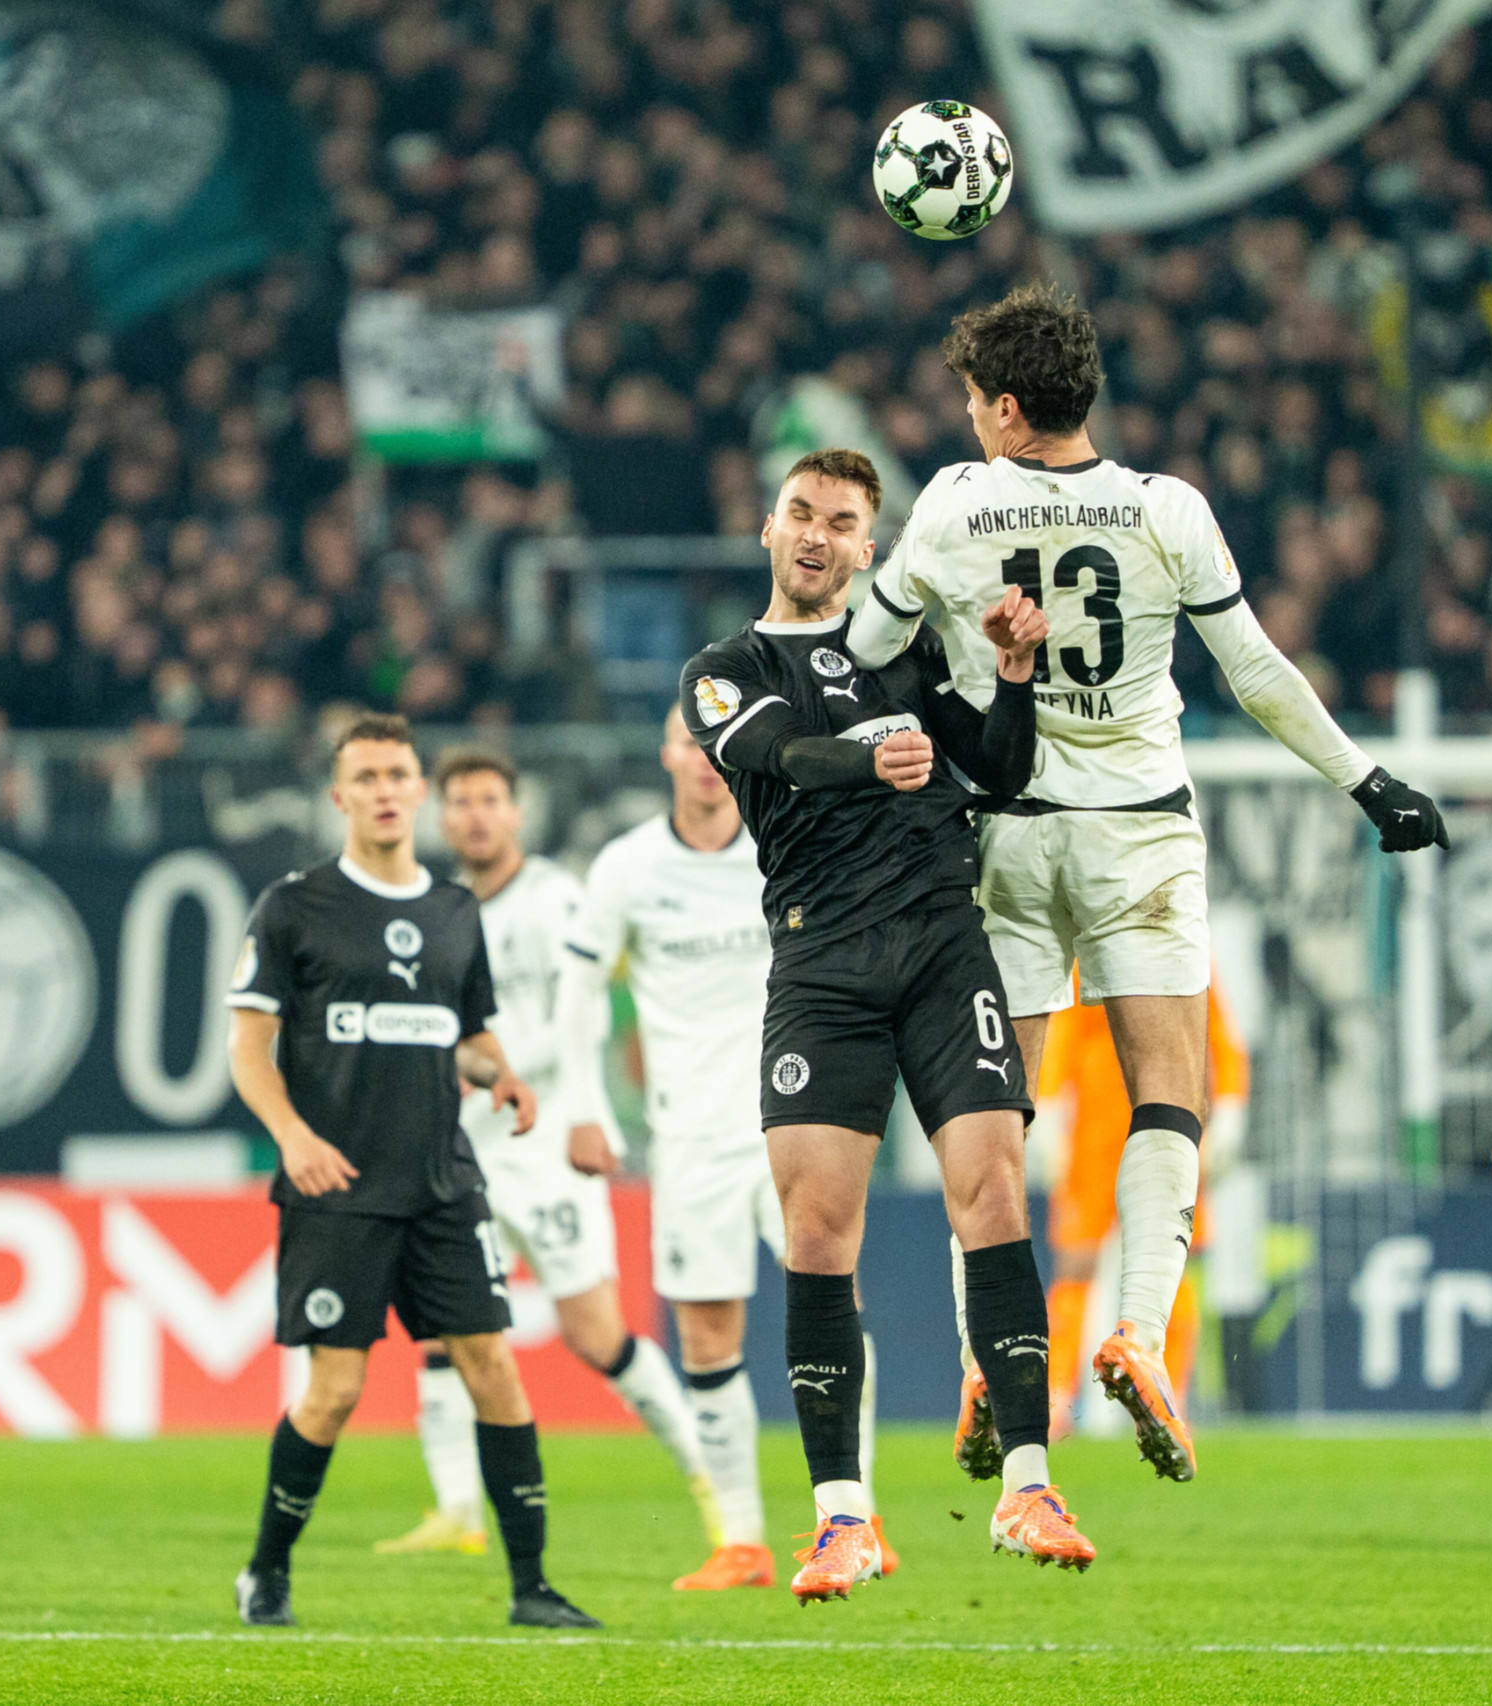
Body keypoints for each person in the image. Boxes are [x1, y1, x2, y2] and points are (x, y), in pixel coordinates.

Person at [845, 280, 1449, 1484]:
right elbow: (1258, 672)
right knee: (1169, 1089)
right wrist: (1366, 780)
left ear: (1007, 408)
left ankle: (991, 1356)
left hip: (1007, 835)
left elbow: (863, 650)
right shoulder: (1169, 508)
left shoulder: (956, 504)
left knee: (991, 1108)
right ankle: (1137, 1327)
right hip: (1141, 831)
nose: (970, 423)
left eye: (974, 401)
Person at [680, 447, 1088, 1603]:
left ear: (871, 546)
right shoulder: (726, 667)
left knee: (996, 1192)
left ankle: (1027, 1484)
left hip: (942, 946)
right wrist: (868, 754)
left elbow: (1000, 769)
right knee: (817, 1232)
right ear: (769, 528)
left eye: (842, 521)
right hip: (820, 962)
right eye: (800, 513)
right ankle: (842, 1517)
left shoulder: (911, 646)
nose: (816, 533)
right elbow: (777, 755)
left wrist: (1011, 675)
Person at [226, 713, 593, 1630]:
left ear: (417, 791)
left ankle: (532, 1588)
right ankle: (266, 1571)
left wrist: (499, 1071)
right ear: (339, 796)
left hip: (442, 1181)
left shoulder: (452, 909)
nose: (386, 791)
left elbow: (462, 1030)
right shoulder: (294, 907)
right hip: (336, 1186)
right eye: (368, 777)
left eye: (399, 774)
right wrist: (291, 1137)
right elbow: (248, 1047)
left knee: (494, 1368)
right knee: (336, 1391)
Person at [555, 703, 898, 1591]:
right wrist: (585, 1108)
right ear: (667, 752)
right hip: (691, 1134)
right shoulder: (628, 867)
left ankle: (855, 1515)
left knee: (835, 1301)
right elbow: (579, 990)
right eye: (690, 743)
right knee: (708, 1335)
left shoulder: (786, 835)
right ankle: (741, 1539)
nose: (707, 760)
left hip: (799, 1113)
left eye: (719, 745)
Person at [372, 748, 717, 1575]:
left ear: (516, 813)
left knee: (596, 1335)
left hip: (545, 1146)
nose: (477, 815)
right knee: (444, 1324)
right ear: (441, 817)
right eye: (461, 802)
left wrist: (523, 1082)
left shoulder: (557, 899)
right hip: (459, 1153)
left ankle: (712, 1479)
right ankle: (458, 1510)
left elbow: (585, 1015)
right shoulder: (435, 912)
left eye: (492, 798)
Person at [1036, 971, 1248, 1437]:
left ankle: (1163, 1398)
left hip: (1170, 1126)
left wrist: (1231, 1106)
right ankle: (1055, 1398)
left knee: (1175, 1263)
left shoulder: (1185, 950)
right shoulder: (1085, 959)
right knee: (1076, 1265)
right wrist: (1048, 1105)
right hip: (1093, 1135)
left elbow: (1218, 1036)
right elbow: (1062, 1035)